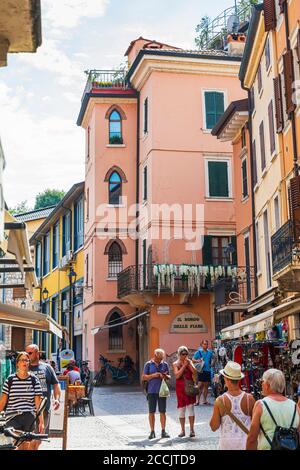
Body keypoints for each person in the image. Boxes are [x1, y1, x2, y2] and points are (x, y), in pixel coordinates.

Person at [246, 368, 300, 450]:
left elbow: (252, 439)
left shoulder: (261, 405)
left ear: (267, 385)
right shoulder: (295, 407)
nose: (261, 384)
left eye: (262, 382)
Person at [0, 352, 44, 450]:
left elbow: (38, 403)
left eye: (26, 360)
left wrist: (41, 421)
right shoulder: (10, 379)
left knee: (26, 445)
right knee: (16, 443)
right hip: (13, 416)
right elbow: (3, 401)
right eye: (22, 360)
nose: (24, 362)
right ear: (17, 363)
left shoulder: (34, 380)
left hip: (29, 416)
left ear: (29, 363)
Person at [209, 361, 255, 450]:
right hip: (245, 445)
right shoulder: (250, 399)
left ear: (226, 379)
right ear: (238, 379)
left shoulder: (220, 401)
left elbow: (214, 427)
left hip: (226, 445)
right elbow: (255, 425)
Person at [25, 344, 61, 450]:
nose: (27, 356)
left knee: (39, 440)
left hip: (44, 409)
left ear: (37, 353)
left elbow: (55, 384)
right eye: (26, 353)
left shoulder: (47, 367)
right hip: (27, 410)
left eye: (30, 353)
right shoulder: (23, 367)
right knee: (29, 440)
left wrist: (57, 399)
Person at [142, 348, 171, 440]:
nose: (160, 360)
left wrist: (165, 376)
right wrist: (154, 375)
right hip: (151, 391)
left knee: (163, 411)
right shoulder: (148, 364)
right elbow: (143, 377)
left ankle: (163, 431)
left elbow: (169, 376)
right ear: (155, 356)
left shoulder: (165, 364)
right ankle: (152, 431)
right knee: (151, 412)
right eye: (159, 358)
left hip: (162, 391)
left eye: (162, 358)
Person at [173, 346, 197, 438]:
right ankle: (182, 430)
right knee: (181, 410)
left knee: (191, 408)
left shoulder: (189, 362)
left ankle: (192, 430)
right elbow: (177, 375)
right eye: (183, 354)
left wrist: (190, 364)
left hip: (189, 387)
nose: (185, 356)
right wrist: (184, 366)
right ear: (179, 354)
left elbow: (195, 372)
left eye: (186, 354)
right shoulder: (175, 363)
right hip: (180, 388)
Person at [192, 339, 215, 405]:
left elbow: (213, 358)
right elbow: (193, 360)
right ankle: (197, 401)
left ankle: (204, 400)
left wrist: (212, 363)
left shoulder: (210, 352)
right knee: (199, 386)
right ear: (201, 345)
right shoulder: (198, 352)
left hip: (208, 370)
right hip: (201, 370)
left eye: (207, 344)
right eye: (204, 344)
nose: (206, 345)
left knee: (206, 386)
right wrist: (198, 361)